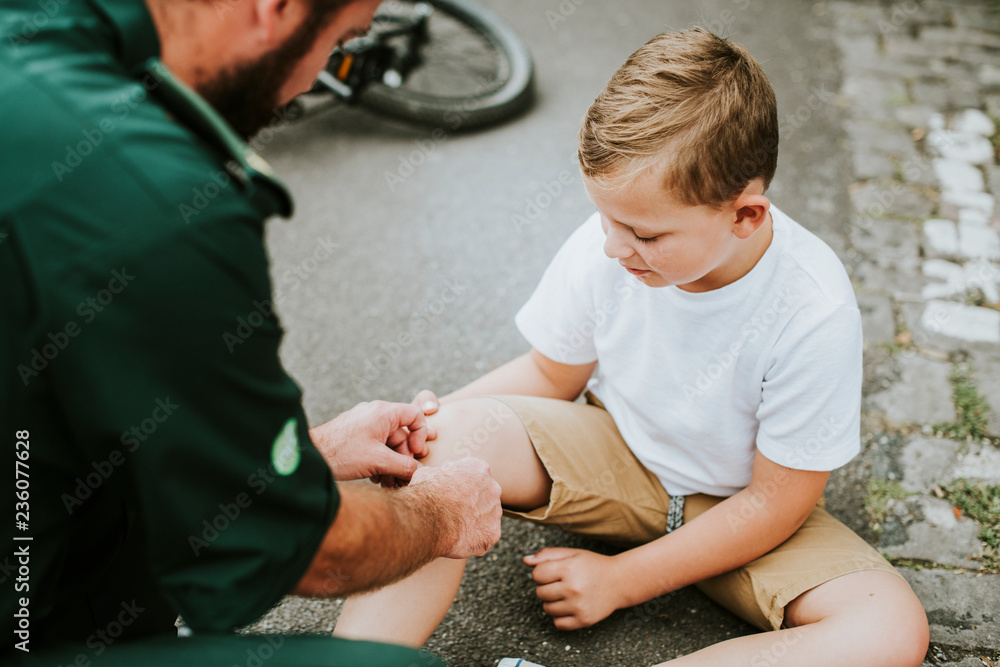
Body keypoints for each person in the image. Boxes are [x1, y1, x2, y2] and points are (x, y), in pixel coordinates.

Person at [332, 28, 931, 666]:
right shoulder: (612, 244)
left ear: (745, 216)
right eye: (606, 219)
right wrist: (426, 426)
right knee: (445, 442)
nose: (616, 248)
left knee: (888, 629)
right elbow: (548, 372)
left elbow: (775, 502)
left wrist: (622, 580)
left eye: (644, 233)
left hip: (739, 513)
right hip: (614, 456)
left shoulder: (813, 308)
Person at [0, 0, 502, 664]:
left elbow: (54, 408)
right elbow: (314, 555)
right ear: (275, 8)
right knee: (391, 665)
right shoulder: (159, 205)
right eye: (340, 43)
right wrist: (443, 511)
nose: (312, 84)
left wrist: (304, 456)